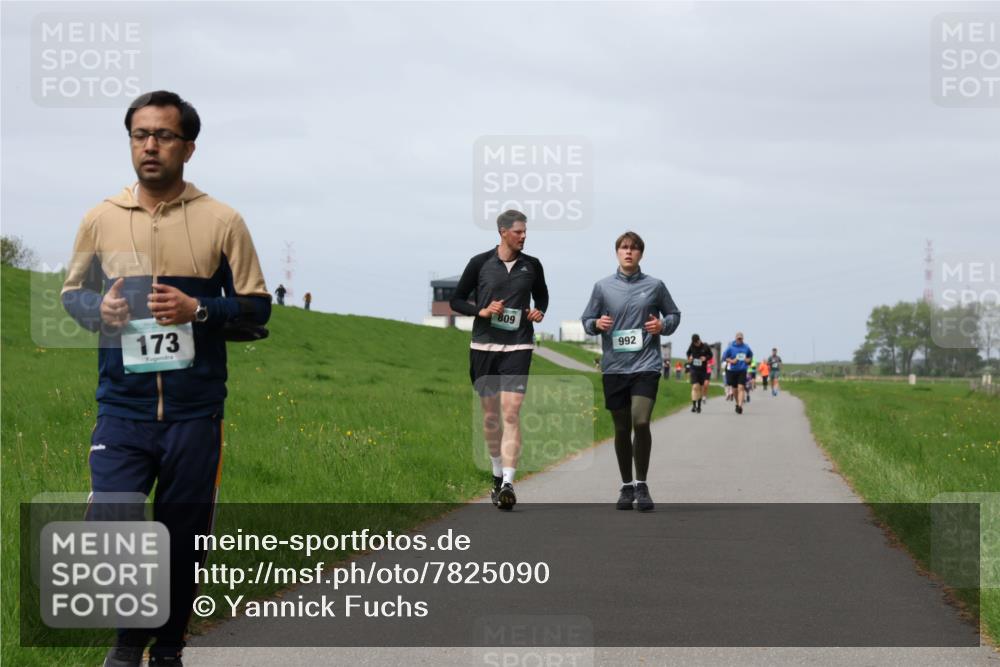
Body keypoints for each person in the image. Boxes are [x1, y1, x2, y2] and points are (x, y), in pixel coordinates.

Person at [60, 91, 271, 667]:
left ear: (188, 147)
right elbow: (70, 295)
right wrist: (95, 312)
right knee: (117, 522)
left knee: (181, 540)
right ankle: (128, 641)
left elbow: (256, 309)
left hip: (193, 413)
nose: (149, 145)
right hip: (122, 408)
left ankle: (167, 647)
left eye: (163, 135)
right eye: (139, 135)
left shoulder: (223, 221)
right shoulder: (99, 218)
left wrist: (198, 309)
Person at [450, 210, 548, 510]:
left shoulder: (532, 265)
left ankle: (508, 482)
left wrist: (538, 311)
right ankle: (496, 474)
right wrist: (480, 311)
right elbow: (455, 300)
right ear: (503, 231)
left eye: (525, 231)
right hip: (483, 347)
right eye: (518, 231)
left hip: (518, 347)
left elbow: (542, 296)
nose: (524, 236)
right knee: (491, 418)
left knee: (511, 413)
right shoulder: (479, 263)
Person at [581, 231, 680, 512]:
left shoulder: (655, 285)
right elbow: (587, 318)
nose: (628, 252)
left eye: (634, 249)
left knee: (641, 421)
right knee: (622, 428)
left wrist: (663, 326)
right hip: (614, 367)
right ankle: (626, 487)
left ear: (641, 254)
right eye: (624, 248)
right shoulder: (602, 287)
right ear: (617, 253)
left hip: (646, 364)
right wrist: (595, 324)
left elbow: (674, 314)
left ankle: (642, 484)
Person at [722, 332, 753, 414]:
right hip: (732, 370)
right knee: (735, 389)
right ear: (735, 338)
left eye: (741, 338)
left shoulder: (746, 347)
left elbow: (750, 357)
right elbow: (724, 357)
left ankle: (740, 406)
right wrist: (732, 361)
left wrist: (748, 360)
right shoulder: (731, 347)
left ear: (743, 339)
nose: (739, 340)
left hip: (742, 370)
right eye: (738, 338)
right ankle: (737, 403)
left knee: (741, 388)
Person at [686, 334, 713, 413]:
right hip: (694, 369)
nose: (696, 344)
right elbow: (688, 353)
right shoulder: (691, 346)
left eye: (697, 342)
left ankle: (699, 406)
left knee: (700, 388)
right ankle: (694, 406)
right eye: (694, 343)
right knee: (695, 387)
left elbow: (711, 355)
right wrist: (689, 358)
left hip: (702, 370)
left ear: (699, 340)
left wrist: (705, 358)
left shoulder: (705, 346)